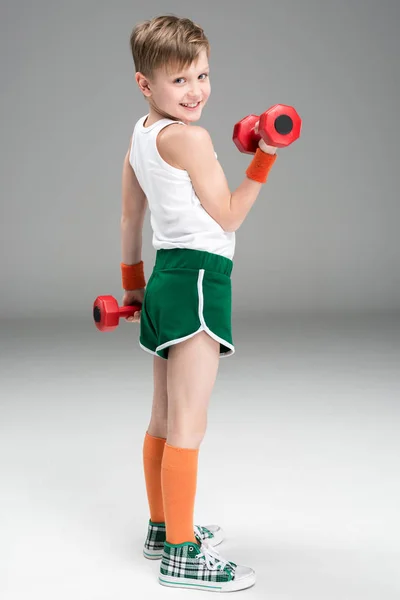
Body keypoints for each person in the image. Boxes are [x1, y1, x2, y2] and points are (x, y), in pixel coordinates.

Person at [120, 15, 278, 592]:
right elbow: (231, 215)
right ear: (146, 84)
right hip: (199, 281)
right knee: (189, 423)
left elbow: (131, 216)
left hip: (165, 279)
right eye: (180, 81)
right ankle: (183, 556)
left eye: (203, 75)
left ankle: (163, 529)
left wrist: (133, 286)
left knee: (163, 415)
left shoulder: (140, 134)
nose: (196, 92)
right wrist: (266, 154)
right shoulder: (190, 138)